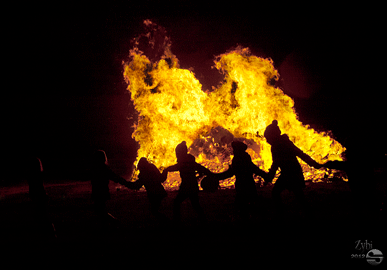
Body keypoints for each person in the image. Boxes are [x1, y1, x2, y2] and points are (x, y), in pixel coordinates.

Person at [264, 120, 323, 216]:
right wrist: (313, 163)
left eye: (268, 137)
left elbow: (276, 163)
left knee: (278, 193)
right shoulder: (282, 143)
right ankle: (308, 212)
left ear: (272, 136)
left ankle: (282, 214)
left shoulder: (280, 145)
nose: (267, 140)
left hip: (291, 173)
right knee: (298, 195)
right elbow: (300, 154)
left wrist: (269, 177)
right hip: (289, 173)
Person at [214, 141, 267, 220]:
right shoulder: (245, 156)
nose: (232, 150)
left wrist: (215, 176)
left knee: (242, 203)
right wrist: (265, 175)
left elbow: (231, 173)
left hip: (242, 184)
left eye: (234, 148)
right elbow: (254, 168)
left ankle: (246, 221)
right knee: (252, 201)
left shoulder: (239, 158)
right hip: (249, 183)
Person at [164, 141, 214, 223]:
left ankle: (177, 222)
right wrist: (207, 173)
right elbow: (200, 168)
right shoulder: (189, 161)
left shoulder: (184, 161)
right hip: (192, 185)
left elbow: (176, 167)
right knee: (195, 205)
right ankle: (204, 220)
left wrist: (167, 169)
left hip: (187, 186)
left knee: (177, 203)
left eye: (177, 152)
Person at [89, 150, 128, 225]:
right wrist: (126, 183)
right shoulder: (103, 168)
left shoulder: (97, 169)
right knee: (100, 210)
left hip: (99, 192)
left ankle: (113, 223)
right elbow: (115, 177)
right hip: (101, 192)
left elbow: (115, 177)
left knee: (100, 210)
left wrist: (125, 183)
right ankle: (111, 223)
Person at [126, 157, 168, 222]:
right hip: (160, 192)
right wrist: (165, 171)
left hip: (154, 195)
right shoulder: (152, 167)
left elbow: (136, 186)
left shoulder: (144, 174)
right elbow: (161, 179)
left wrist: (125, 183)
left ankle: (167, 223)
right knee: (154, 211)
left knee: (154, 212)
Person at [26, 157, 56, 239]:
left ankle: (48, 234)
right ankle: (50, 233)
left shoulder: (33, 171)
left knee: (41, 214)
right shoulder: (36, 170)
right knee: (43, 214)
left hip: (37, 193)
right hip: (39, 193)